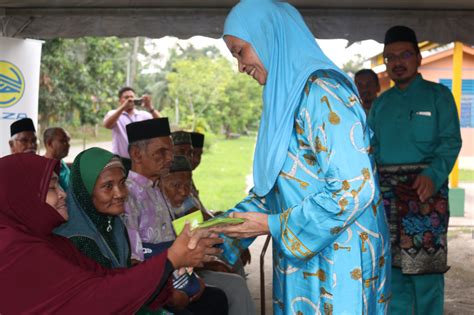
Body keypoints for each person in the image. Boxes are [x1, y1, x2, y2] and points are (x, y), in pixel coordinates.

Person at [211, 1, 391, 314]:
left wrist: (273, 225)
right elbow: (275, 190)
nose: (240, 66)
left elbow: (353, 190)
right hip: (304, 258)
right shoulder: (286, 98)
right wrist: (216, 237)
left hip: (341, 260)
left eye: (240, 51)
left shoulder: (323, 93)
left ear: (269, 36)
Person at [0, 153, 222, 313]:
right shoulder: (16, 250)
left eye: (123, 183)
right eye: (51, 188)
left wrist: (166, 283)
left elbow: (104, 276)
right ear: (21, 197)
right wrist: (171, 259)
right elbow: (95, 298)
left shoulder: (50, 240)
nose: (62, 194)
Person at [368, 25, 462, 315]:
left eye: (405, 54)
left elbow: (450, 142)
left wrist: (433, 176)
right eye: (390, 57)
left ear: (419, 58)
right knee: (392, 273)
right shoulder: (380, 105)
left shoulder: (438, 97)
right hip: (387, 199)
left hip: (425, 197)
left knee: (426, 274)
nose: (397, 62)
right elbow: (370, 153)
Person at [123, 118, 228, 315]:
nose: (170, 158)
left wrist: (191, 279)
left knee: (217, 299)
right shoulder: (128, 195)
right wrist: (170, 294)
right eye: (161, 152)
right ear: (136, 154)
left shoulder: (157, 189)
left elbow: (176, 238)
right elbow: (136, 261)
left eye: (170, 151)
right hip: (154, 287)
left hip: (175, 274)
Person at [160, 155, 256, 315]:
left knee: (234, 265)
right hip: (177, 276)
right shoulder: (154, 210)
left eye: (188, 185)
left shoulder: (181, 203)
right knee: (235, 285)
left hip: (188, 270)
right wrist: (212, 264)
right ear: (159, 183)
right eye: (176, 185)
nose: (184, 191)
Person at [103, 86, 161, 159]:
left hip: (141, 160)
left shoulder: (143, 115)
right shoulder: (113, 113)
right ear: (120, 100)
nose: (130, 100)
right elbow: (107, 125)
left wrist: (150, 107)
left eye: (132, 97)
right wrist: (123, 108)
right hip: (121, 160)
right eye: (126, 98)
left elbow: (161, 125)